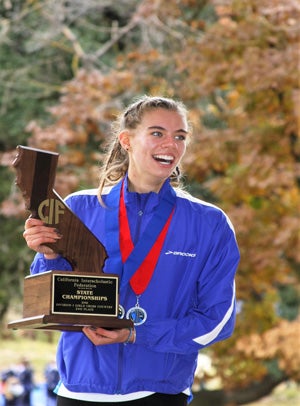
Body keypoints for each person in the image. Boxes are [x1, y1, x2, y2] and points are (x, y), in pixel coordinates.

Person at [23, 96, 240, 406]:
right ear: (126, 140)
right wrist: (48, 255)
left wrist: (137, 333)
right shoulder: (78, 208)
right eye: (157, 133)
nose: (171, 144)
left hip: (159, 392)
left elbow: (217, 319)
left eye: (180, 136)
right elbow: (43, 300)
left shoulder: (209, 223)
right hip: (79, 390)